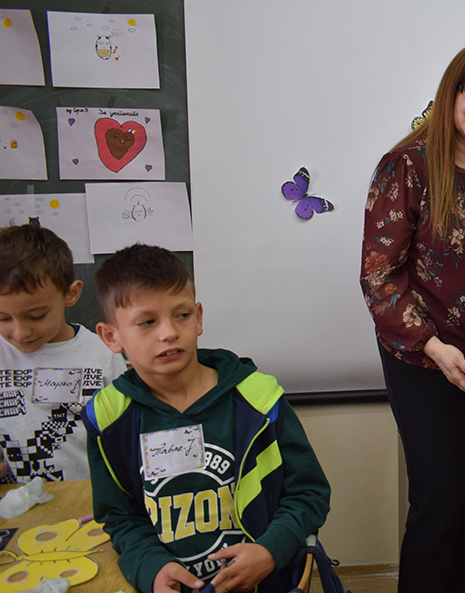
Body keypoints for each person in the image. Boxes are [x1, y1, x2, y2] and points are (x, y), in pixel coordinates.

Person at [360, 43, 465, 592]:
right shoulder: (406, 166)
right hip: (422, 356)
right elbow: (379, 275)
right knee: (439, 499)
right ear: (450, 95)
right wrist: (435, 348)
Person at [83, 244, 331, 593]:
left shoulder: (258, 399)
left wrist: (270, 551)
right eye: (147, 322)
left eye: (181, 315)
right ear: (111, 336)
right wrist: (151, 567)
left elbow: (309, 492)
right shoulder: (108, 418)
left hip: (264, 583)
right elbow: (120, 516)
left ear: (198, 318)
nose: (168, 333)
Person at [0, 220, 125, 483]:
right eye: (3, 318)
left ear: (71, 294)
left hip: (84, 498)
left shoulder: (102, 355)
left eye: (36, 315)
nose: (21, 332)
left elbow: (124, 433)